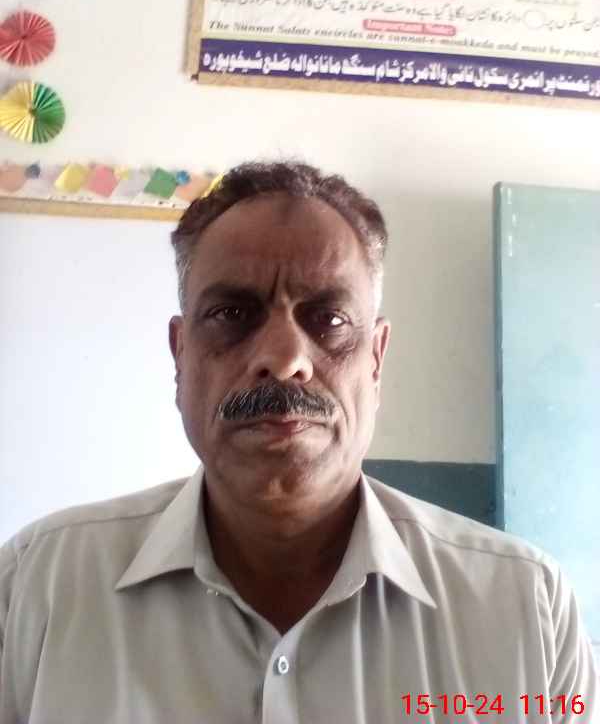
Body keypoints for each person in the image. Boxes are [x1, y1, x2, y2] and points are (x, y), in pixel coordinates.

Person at [0, 161, 597, 724]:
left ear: (376, 360)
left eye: (330, 320)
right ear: (180, 356)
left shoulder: (525, 612)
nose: (284, 358)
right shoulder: (37, 587)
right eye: (232, 314)